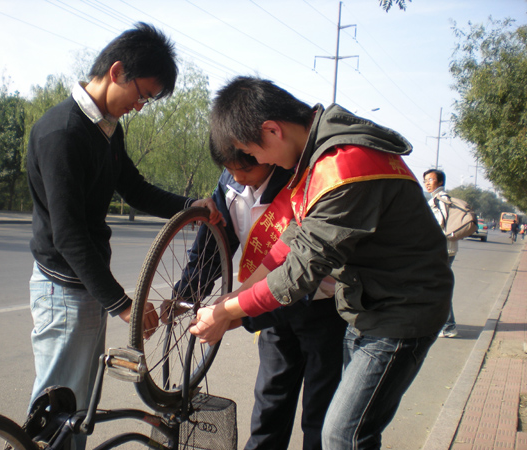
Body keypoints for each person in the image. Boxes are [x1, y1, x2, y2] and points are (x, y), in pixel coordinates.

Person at [189, 76, 454, 450]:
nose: (259, 162)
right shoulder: (318, 158)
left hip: (401, 311)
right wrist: (232, 305)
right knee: (339, 428)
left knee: (341, 435)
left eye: (254, 152)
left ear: (272, 130)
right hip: (367, 304)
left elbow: (299, 273)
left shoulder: (343, 167)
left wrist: (228, 310)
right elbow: (288, 241)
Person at [25, 23, 221, 449]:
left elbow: (133, 189)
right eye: (143, 95)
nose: (139, 106)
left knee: (75, 411)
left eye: (148, 100)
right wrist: (123, 305)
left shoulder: (106, 128)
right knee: (58, 411)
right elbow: (68, 234)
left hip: (84, 287)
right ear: (117, 72)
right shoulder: (63, 133)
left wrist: (191, 206)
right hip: (63, 291)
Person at [172, 148, 346, 450]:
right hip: (267, 305)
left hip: (319, 305)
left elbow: (297, 275)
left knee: (321, 411)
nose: (239, 178)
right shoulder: (231, 182)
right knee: (270, 404)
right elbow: (213, 249)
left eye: (246, 171)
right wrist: (182, 296)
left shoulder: (299, 182)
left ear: (266, 152)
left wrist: (234, 315)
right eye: (230, 169)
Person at [423, 169, 459, 338]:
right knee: (435, 285)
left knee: (438, 287)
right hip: (445, 248)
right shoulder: (440, 199)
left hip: (442, 249)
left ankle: (449, 326)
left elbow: (439, 224)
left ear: (440, 182)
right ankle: (442, 323)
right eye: (425, 180)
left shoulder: (440, 200)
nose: (427, 183)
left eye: (430, 179)